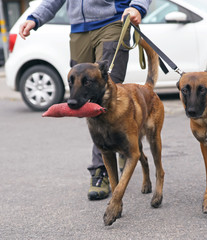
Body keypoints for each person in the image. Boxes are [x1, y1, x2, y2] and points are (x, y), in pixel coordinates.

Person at [19, 0, 152, 201]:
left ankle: (102, 168)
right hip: (79, 30)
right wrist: (35, 18)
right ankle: (116, 155)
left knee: (107, 98)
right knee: (84, 99)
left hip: (111, 22)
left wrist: (138, 6)